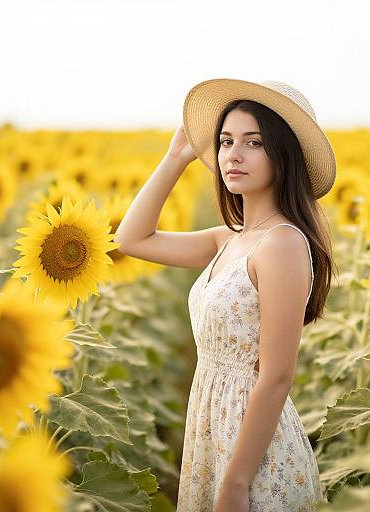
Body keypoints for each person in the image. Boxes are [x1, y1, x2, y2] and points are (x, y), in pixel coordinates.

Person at [114, 78, 337, 511]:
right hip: (213, 431)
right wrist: (176, 158)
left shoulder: (283, 244)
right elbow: (130, 239)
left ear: (284, 154)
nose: (233, 154)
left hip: (254, 455)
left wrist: (235, 483)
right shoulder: (229, 239)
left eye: (253, 142)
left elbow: (275, 376)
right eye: (225, 141)